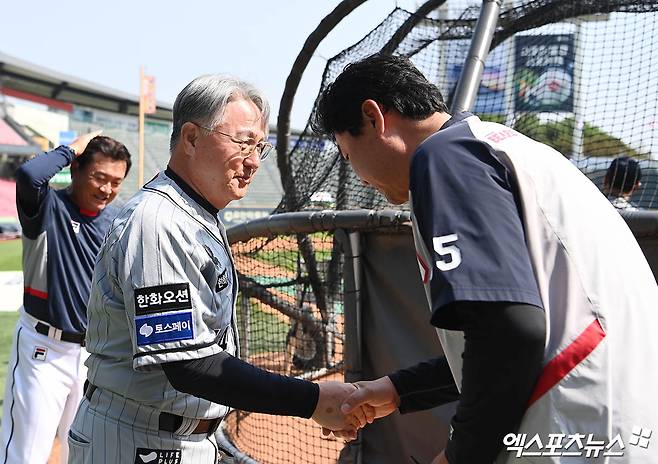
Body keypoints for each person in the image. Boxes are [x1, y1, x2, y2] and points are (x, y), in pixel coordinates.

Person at [312, 54, 658, 463]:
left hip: (571, 427)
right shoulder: (503, 146)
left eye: (349, 155)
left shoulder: (445, 157)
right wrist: (399, 388)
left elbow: (510, 332)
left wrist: (460, 455)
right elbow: (513, 333)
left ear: (374, 118)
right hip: (620, 421)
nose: (358, 175)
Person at [67, 75, 366, 464]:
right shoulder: (159, 222)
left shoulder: (195, 213)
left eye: (260, 146)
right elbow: (187, 364)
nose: (255, 161)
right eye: (244, 142)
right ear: (191, 138)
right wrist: (312, 400)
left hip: (178, 436)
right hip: (137, 441)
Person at [0, 133, 131, 463]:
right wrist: (72, 147)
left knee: (85, 452)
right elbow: (30, 175)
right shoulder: (47, 206)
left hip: (93, 354)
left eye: (116, 181)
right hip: (43, 351)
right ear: (75, 170)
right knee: (25, 454)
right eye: (99, 177)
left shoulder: (116, 222)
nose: (106, 189)